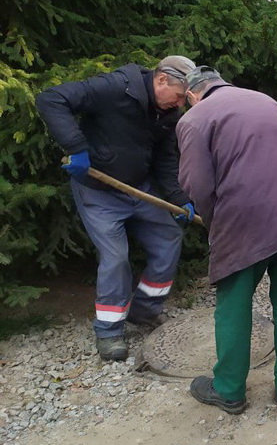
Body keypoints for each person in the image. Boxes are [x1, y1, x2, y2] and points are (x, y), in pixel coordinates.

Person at [176, 67, 277, 418]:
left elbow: (198, 186)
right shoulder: (267, 102)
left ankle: (229, 390)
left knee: (233, 305)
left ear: (192, 94)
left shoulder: (194, 118)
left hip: (244, 222)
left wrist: (209, 218)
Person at [36, 56, 197, 362]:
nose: (179, 104)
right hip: (99, 192)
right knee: (115, 257)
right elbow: (51, 99)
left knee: (168, 239)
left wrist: (177, 197)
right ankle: (109, 331)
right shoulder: (115, 87)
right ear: (161, 80)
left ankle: (144, 311)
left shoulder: (168, 114)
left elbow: (165, 158)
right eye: (178, 96)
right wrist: (76, 147)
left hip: (139, 188)